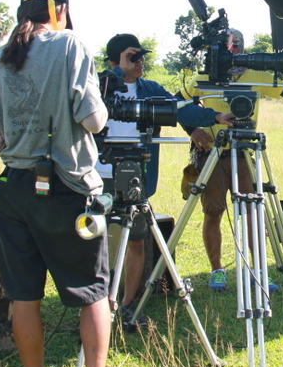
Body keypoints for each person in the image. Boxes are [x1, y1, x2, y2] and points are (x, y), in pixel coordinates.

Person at [0, 0, 110, 367]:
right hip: (66, 187)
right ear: (61, 9)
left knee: (24, 298)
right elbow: (93, 121)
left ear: (24, 11)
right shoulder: (70, 44)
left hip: (14, 190)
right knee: (92, 292)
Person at [178, 28, 283, 292]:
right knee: (213, 213)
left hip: (244, 153)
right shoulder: (203, 78)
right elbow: (177, 104)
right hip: (211, 155)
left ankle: (257, 271)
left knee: (252, 214)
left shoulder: (257, 75)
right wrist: (193, 130)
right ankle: (217, 271)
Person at [97, 33, 233, 325]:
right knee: (94, 243)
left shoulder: (150, 89)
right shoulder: (97, 86)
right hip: (98, 177)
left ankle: (128, 305)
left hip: (135, 177)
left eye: (141, 56)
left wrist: (214, 117)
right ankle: (93, 309)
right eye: (132, 56)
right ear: (114, 61)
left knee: (136, 242)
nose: (139, 62)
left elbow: (181, 108)